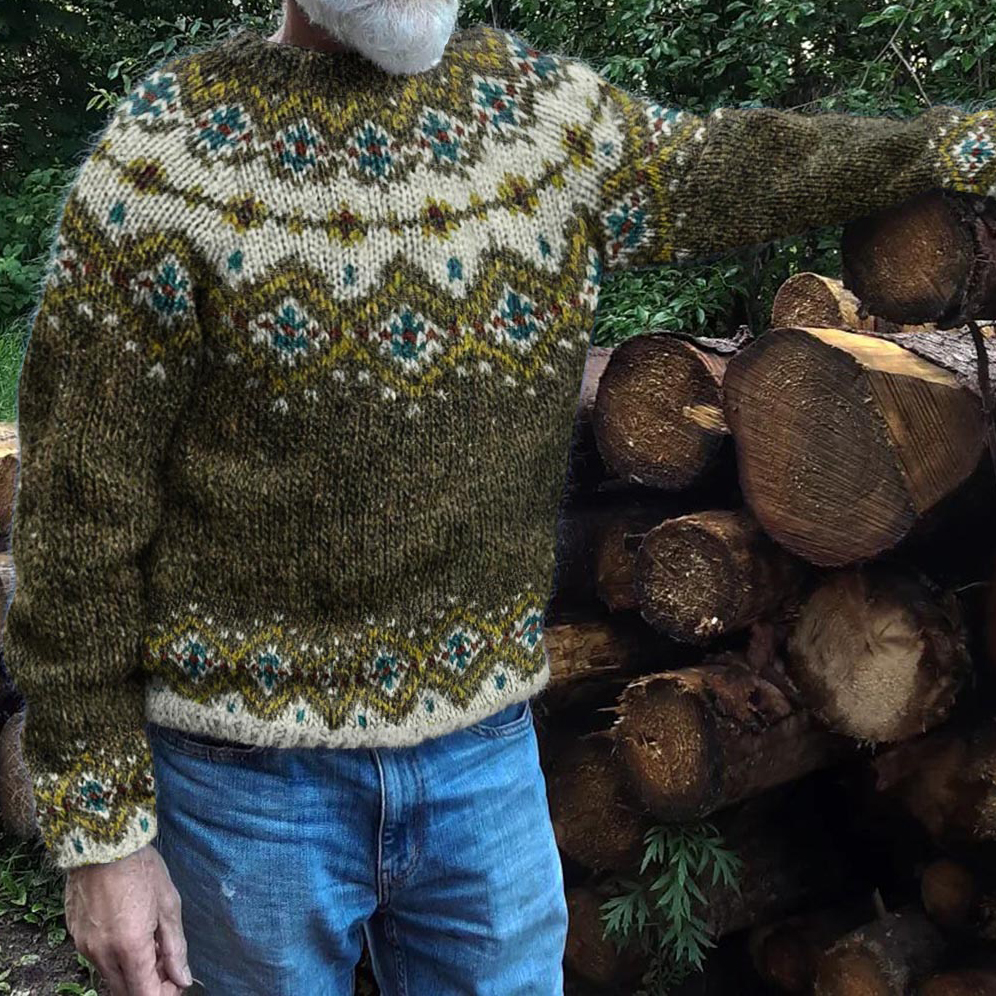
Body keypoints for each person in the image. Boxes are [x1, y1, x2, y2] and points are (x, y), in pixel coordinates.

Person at [3, 0, 994, 992]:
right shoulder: (168, 154)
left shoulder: (536, 125)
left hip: (481, 765)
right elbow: (75, 511)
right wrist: (102, 837)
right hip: (241, 786)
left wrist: (950, 143)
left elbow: (746, 166)